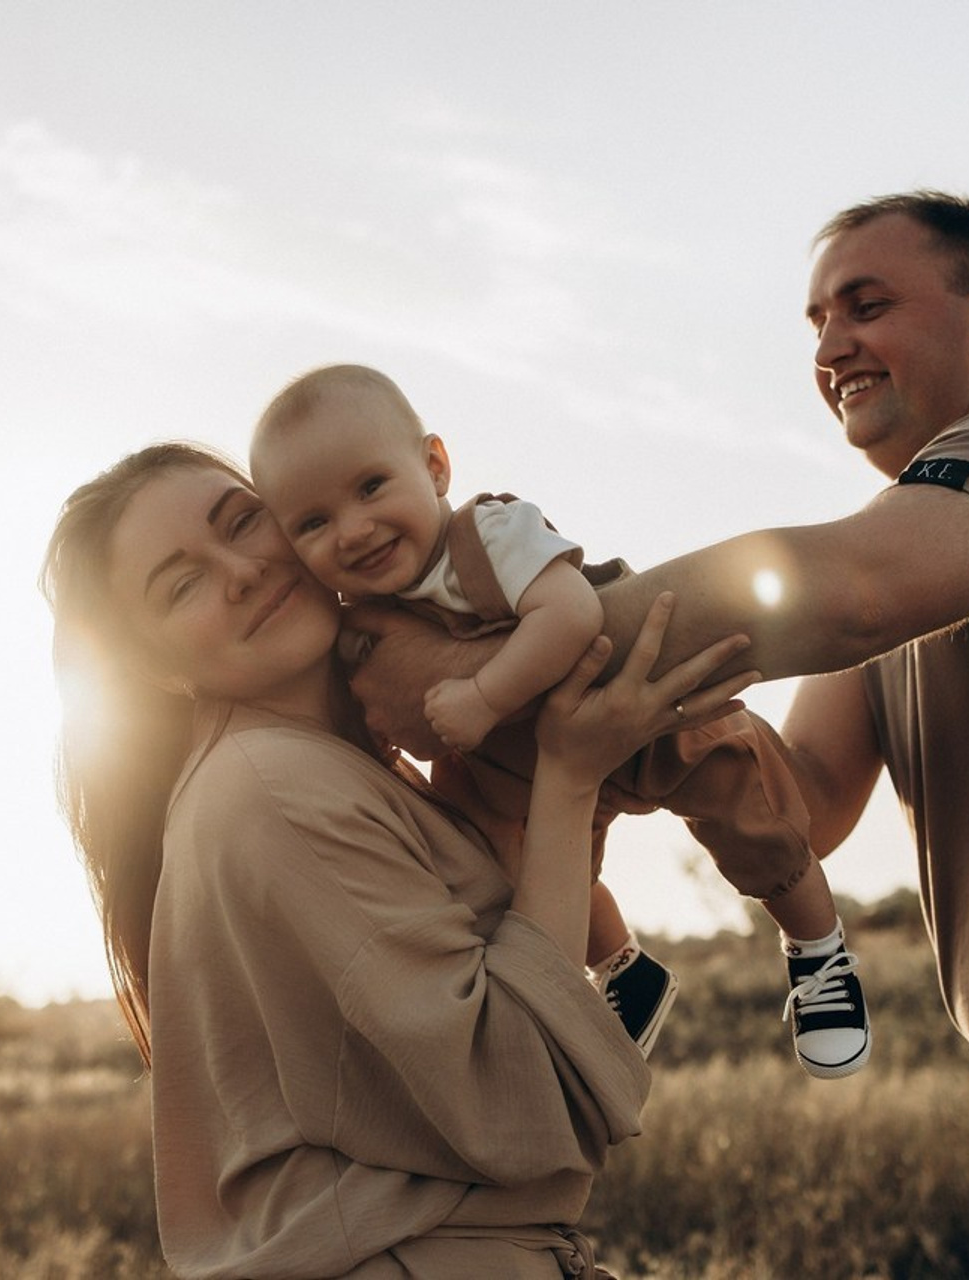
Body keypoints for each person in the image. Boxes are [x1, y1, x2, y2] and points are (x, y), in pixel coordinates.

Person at [346, 190, 969, 1170]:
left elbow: (846, 590)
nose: (829, 345)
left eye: (864, 305)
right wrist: (588, 751)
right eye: (816, 320)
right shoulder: (925, 536)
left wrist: (478, 668)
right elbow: (807, 801)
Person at [40, 441, 757, 1277]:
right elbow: (510, 1098)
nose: (238, 570)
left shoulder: (347, 765)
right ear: (157, 669)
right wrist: (569, 771)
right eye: (183, 584)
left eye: (243, 523)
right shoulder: (273, 788)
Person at [250, 363, 873, 1079]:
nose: (354, 530)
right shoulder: (357, 621)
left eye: (370, 488)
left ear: (434, 466)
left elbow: (571, 613)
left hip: (643, 710)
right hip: (521, 770)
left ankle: (817, 951)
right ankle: (624, 969)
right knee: (517, 871)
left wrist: (483, 696)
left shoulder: (490, 533)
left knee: (755, 818)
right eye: (314, 522)